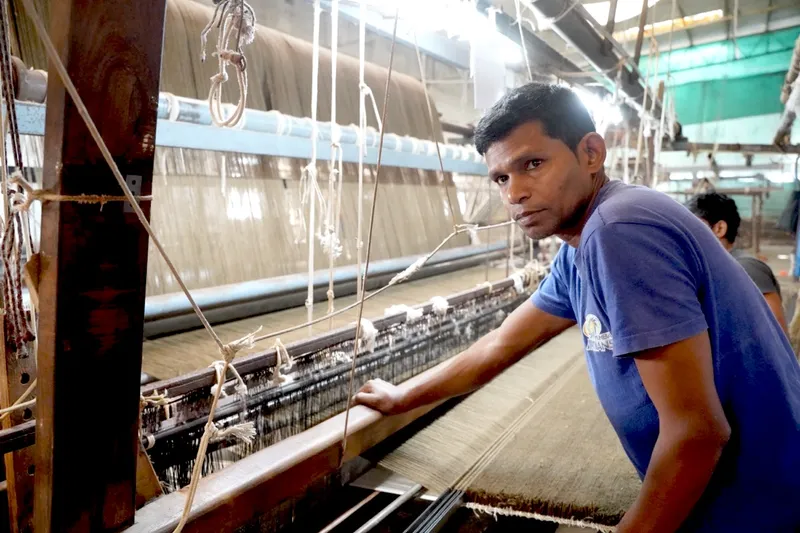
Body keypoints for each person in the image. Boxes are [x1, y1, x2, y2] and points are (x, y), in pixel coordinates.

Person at [354, 83, 800, 532]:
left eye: (533, 164)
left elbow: (698, 433)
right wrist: (401, 397)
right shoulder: (578, 248)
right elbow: (500, 344)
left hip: (752, 509)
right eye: (501, 178)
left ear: (591, 153)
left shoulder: (619, 230)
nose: (515, 194)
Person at [686, 191, 787, 332]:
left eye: (693, 227)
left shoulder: (747, 268)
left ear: (719, 228)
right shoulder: (715, 269)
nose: (686, 235)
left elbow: (776, 333)